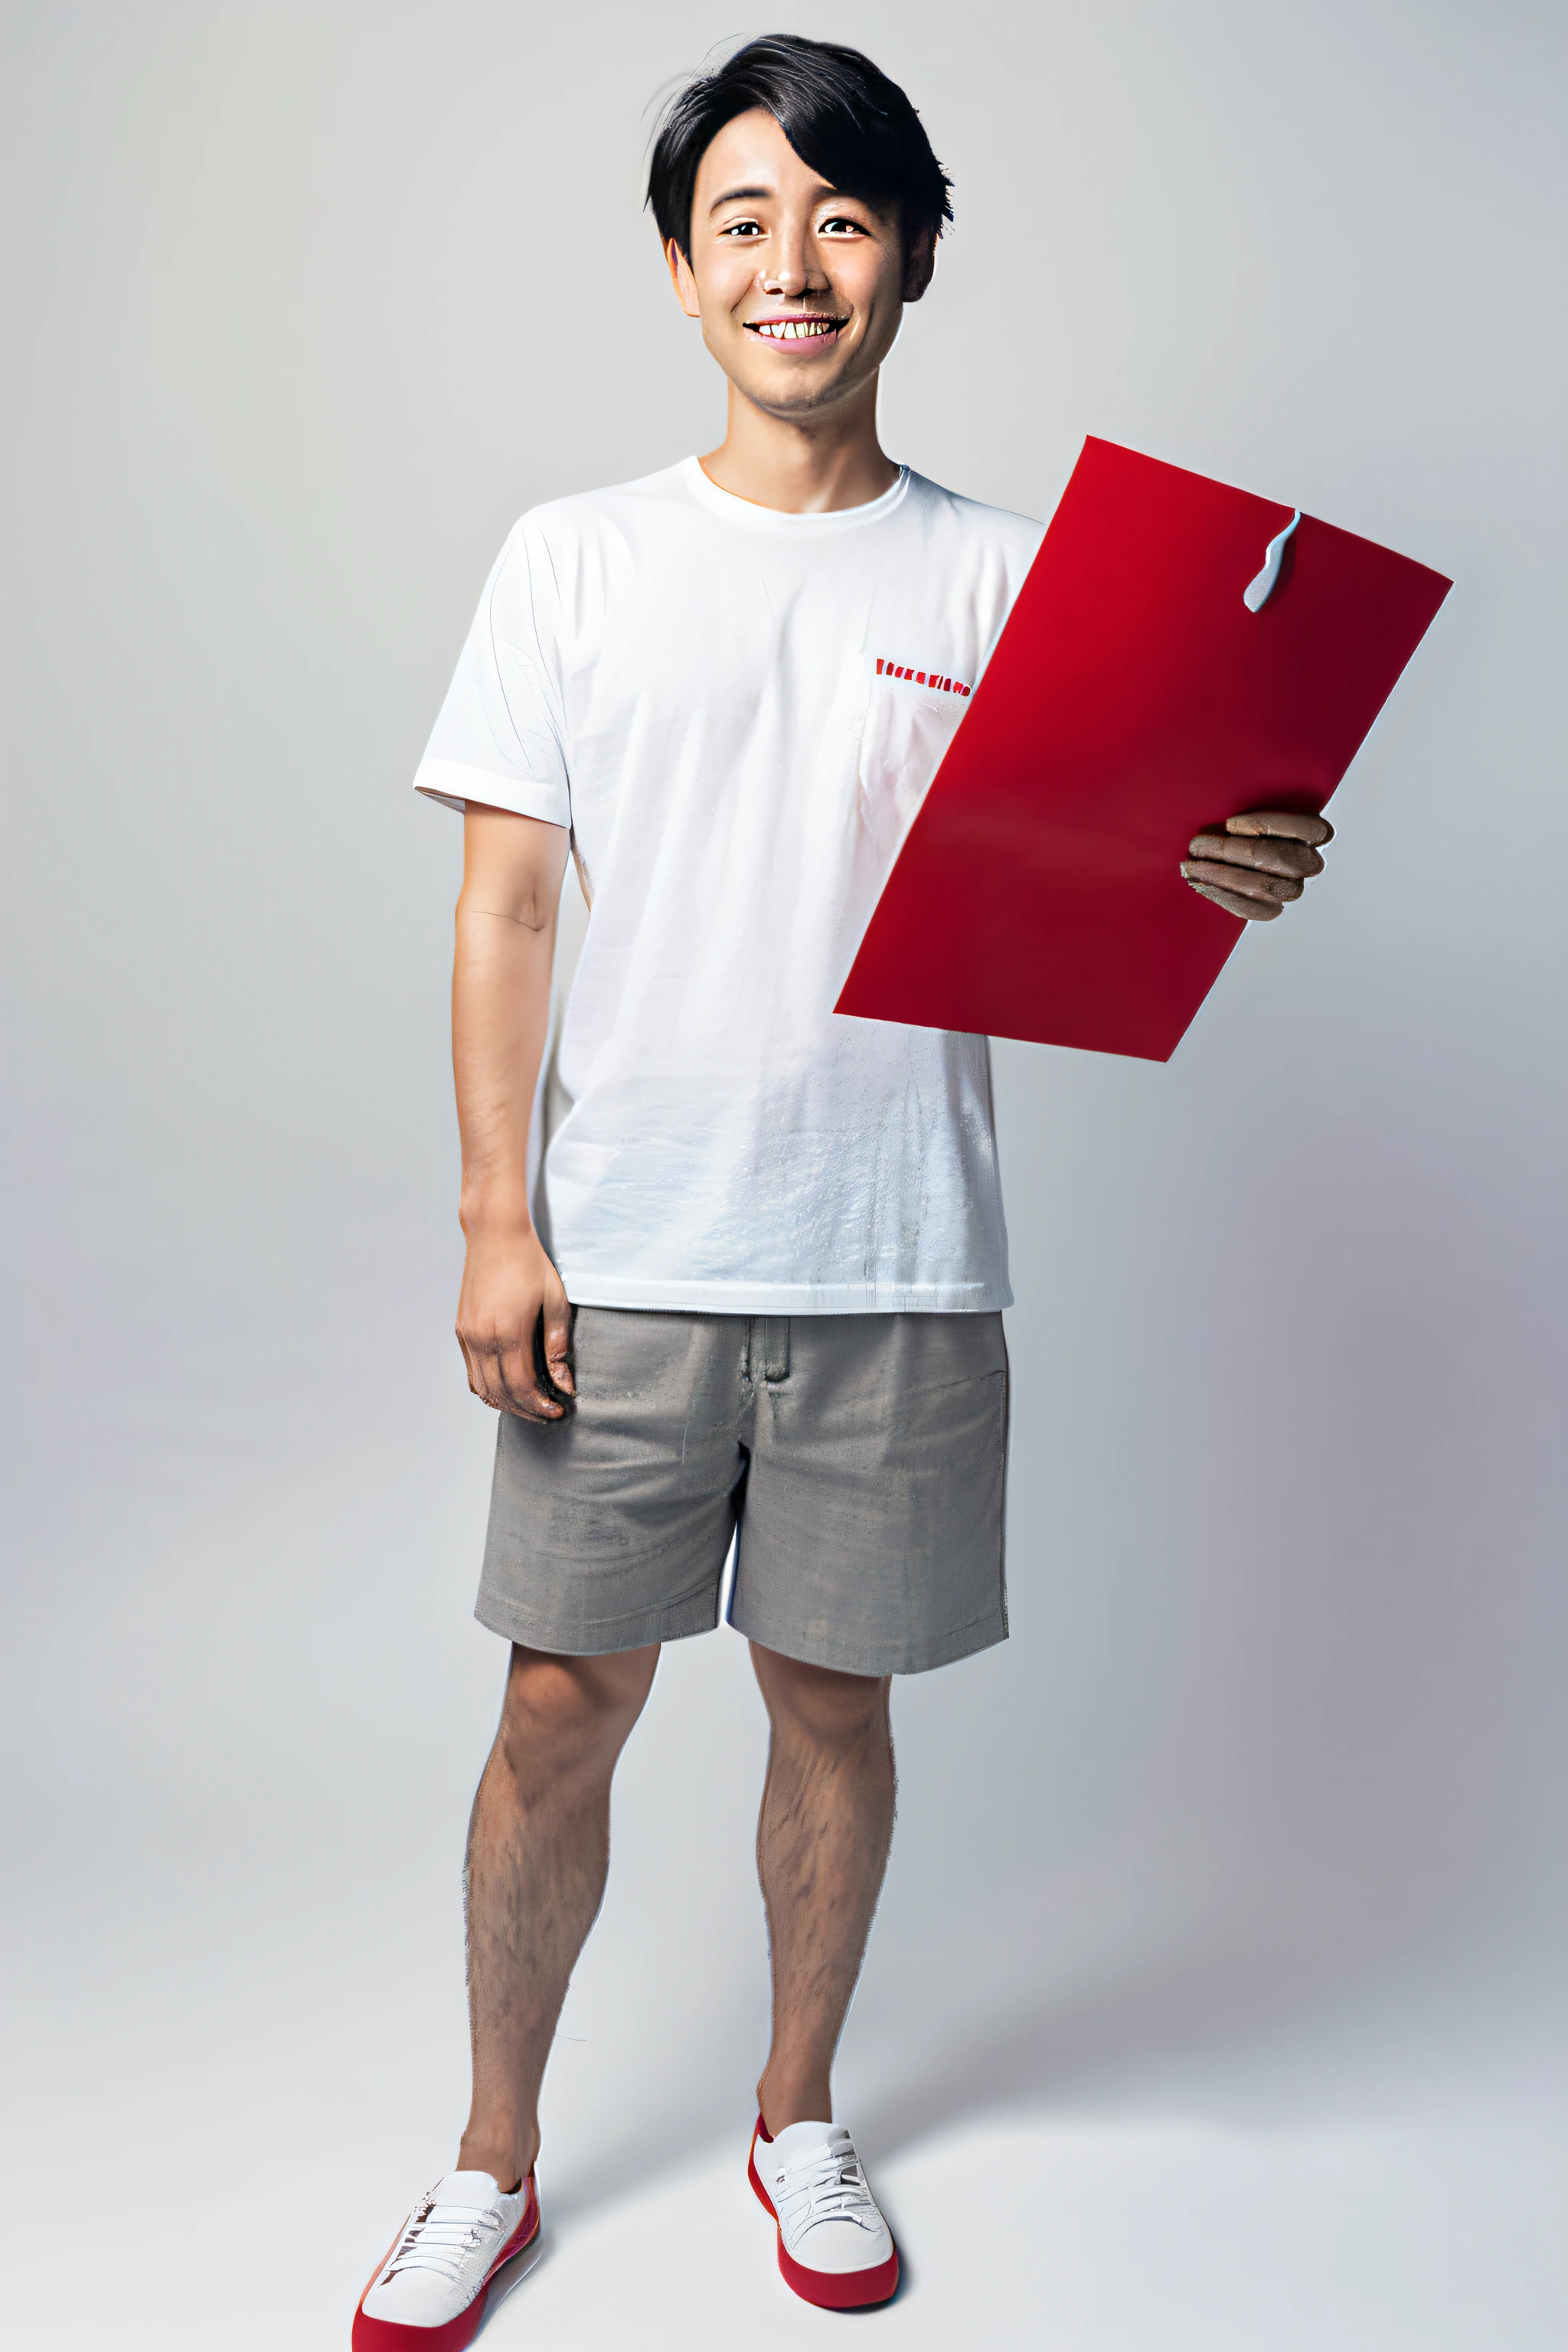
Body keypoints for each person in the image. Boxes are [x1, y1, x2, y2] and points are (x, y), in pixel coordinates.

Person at [351, 33, 1331, 2345]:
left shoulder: (1014, 581)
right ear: (686, 271)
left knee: (830, 1710)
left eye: (846, 219)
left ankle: (799, 2112)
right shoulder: (572, 559)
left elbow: (1130, 872)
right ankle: (492, 2155)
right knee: (557, 1713)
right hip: (631, 1258)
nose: (797, 267)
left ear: (911, 259)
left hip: (901, 1256)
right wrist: (503, 1219)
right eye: (748, 224)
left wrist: (1237, 863)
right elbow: (508, 909)